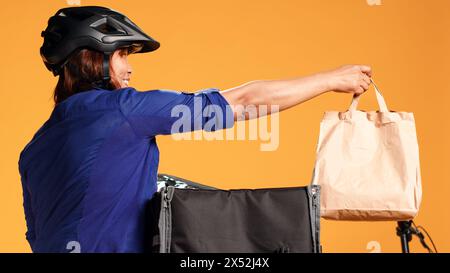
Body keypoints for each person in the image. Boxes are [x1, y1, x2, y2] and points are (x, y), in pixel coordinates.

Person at [18, 6, 372, 253]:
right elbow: (243, 101)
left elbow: (39, 236)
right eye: (123, 55)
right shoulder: (126, 110)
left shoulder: (33, 151)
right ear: (93, 57)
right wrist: (331, 79)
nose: (129, 70)